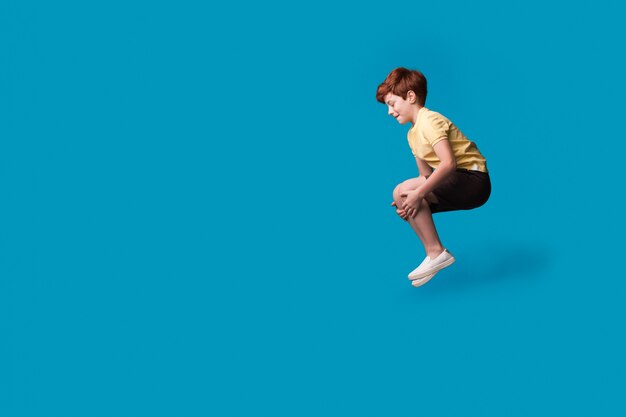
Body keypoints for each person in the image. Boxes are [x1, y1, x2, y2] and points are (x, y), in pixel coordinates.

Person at [376, 67, 491, 287]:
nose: (389, 112)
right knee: (400, 193)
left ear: (410, 96)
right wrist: (408, 202)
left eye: (392, 104)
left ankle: (437, 252)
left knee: (411, 192)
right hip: (458, 180)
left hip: (474, 179)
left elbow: (448, 163)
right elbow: (425, 175)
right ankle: (434, 255)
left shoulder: (430, 120)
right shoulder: (412, 134)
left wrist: (418, 194)